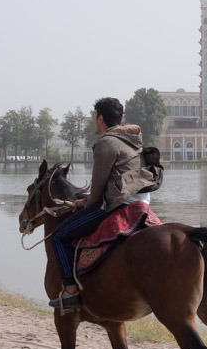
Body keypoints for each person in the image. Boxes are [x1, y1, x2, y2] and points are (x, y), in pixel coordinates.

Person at [48, 97, 160, 309]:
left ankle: (71, 291)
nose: (94, 122)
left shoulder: (106, 143)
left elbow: (98, 192)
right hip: (142, 201)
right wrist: (84, 200)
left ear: (100, 118)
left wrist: (86, 202)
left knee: (58, 237)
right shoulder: (132, 140)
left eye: (94, 118)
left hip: (119, 204)